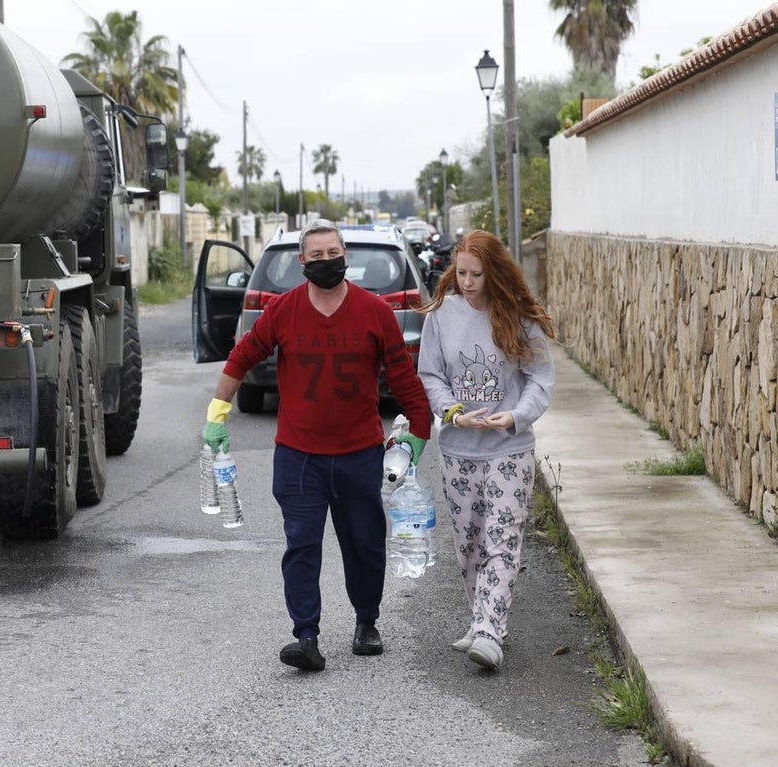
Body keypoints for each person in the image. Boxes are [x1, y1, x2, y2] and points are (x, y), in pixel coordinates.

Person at [202, 220, 431, 672]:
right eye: (317, 255)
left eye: (333, 253)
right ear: (302, 262)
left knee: (363, 544)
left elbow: (402, 375)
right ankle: (306, 636)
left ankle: (367, 622)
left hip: (359, 453)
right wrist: (217, 413)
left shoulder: (375, 312)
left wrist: (420, 430)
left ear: (345, 255)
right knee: (301, 544)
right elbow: (243, 354)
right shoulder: (284, 311)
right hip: (299, 455)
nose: (327, 261)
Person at [416, 229, 556, 671]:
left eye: (477, 274)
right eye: (461, 273)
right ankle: (480, 620)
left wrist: (516, 415)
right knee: (469, 543)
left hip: (509, 449)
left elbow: (540, 379)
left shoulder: (517, 316)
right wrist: (452, 410)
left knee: (502, 539)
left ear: (493, 272)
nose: (468, 282)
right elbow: (431, 375)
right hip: (458, 449)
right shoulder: (442, 315)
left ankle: (491, 632)